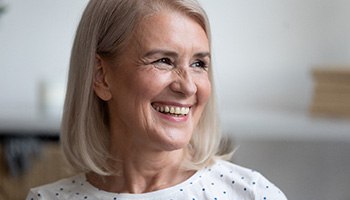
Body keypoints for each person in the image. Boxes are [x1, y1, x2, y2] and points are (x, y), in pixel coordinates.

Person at [26, 0, 287, 199]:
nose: (187, 87)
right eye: (163, 61)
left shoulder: (251, 194)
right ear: (101, 76)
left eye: (198, 63)